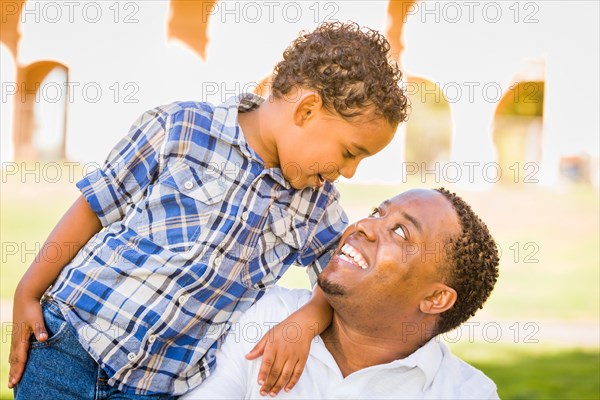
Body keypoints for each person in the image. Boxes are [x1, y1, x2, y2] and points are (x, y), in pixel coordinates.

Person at [8, 22, 408, 399]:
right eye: (350, 152)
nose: (351, 171)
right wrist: (28, 291)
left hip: (155, 387)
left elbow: (340, 279)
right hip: (67, 346)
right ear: (306, 111)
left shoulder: (318, 205)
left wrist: (306, 320)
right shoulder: (181, 127)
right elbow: (94, 206)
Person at [183, 188, 501, 399]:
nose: (363, 224)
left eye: (401, 232)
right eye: (377, 212)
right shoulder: (264, 316)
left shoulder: (466, 393)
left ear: (435, 299)